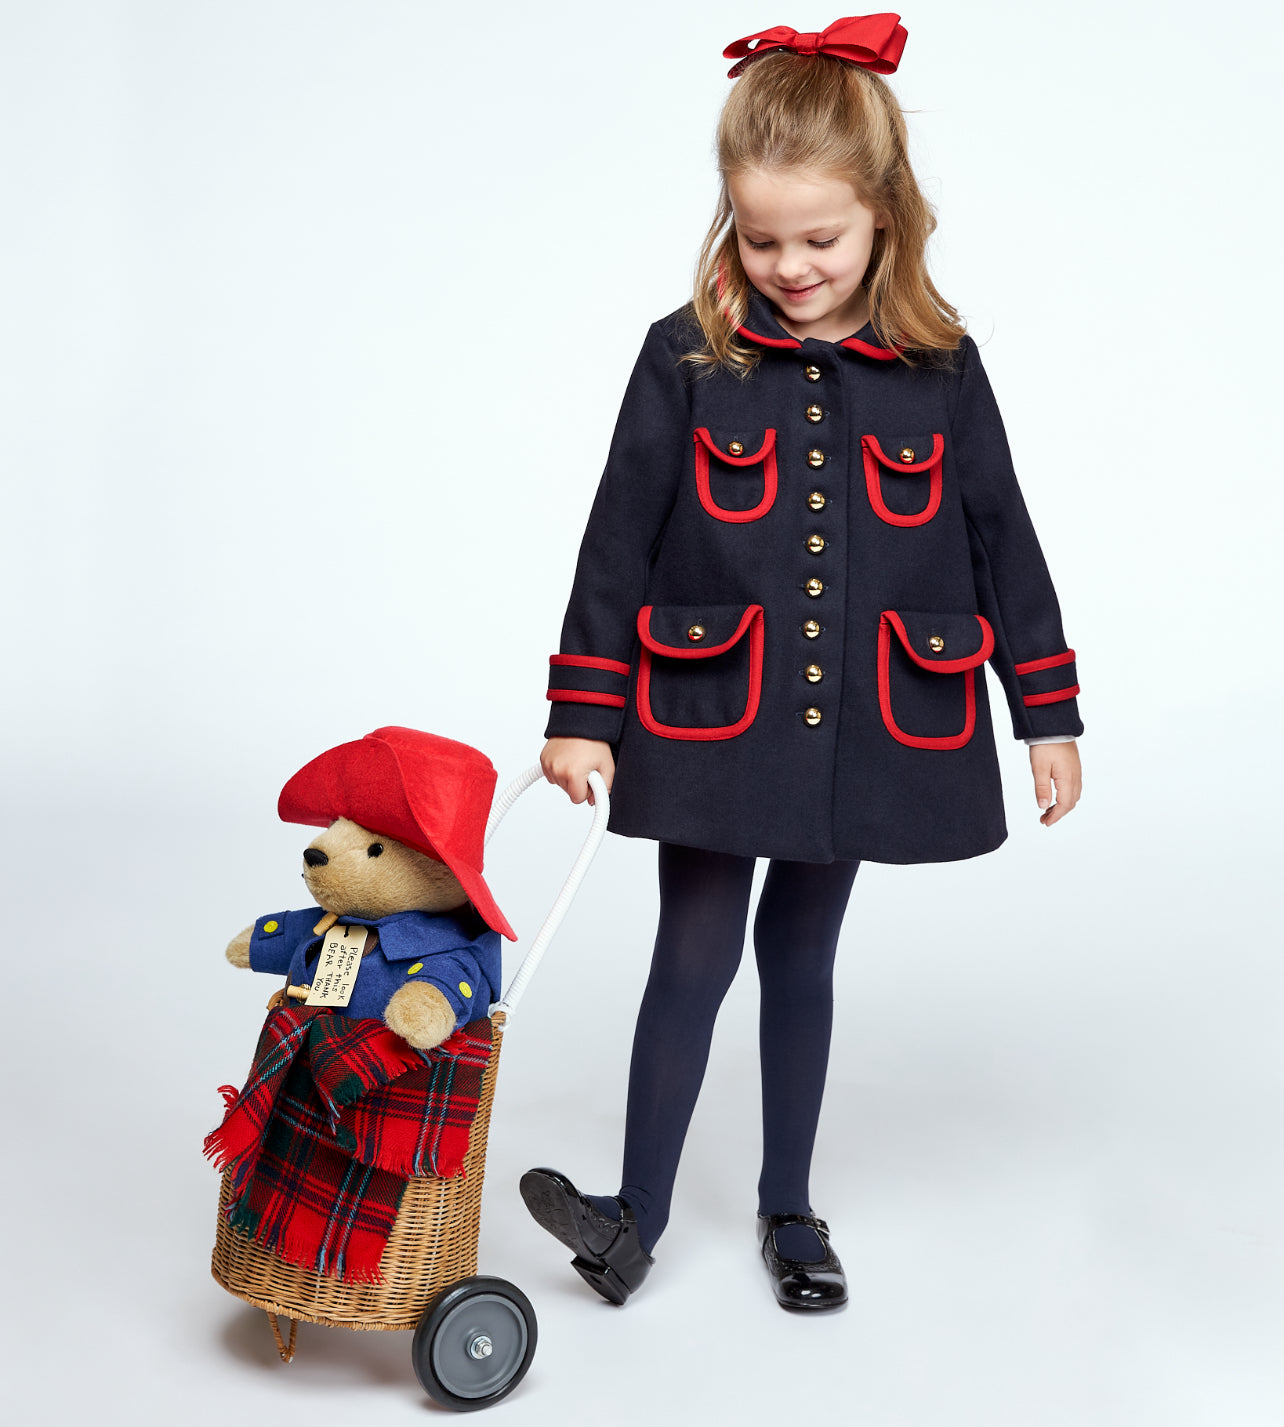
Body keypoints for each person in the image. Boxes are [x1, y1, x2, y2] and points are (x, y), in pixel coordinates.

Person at [520, 13, 1083, 1312]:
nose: (788, 266)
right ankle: (633, 1216)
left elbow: (1006, 543)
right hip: (716, 717)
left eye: (817, 239)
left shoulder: (941, 370)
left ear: (885, 214)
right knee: (692, 953)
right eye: (759, 237)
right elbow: (617, 540)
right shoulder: (684, 355)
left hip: (865, 727)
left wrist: (1044, 714)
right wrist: (582, 714)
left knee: (803, 956)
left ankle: (791, 1208)